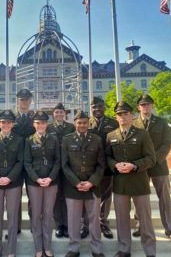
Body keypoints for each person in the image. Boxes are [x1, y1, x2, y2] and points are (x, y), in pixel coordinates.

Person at [106, 101, 156, 257]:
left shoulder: (142, 134)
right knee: (122, 219)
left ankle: (150, 251)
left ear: (132, 115)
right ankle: (124, 249)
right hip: (120, 184)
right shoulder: (111, 135)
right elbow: (107, 157)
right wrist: (115, 164)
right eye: (119, 114)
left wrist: (134, 165)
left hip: (139, 183)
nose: (122, 117)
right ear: (116, 117)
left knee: (145, 220)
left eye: (125, 114)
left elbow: (151, 158)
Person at [62, 110, 106, 257]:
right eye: (79, 122)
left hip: (92, 186)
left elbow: (101, 165)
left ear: (88, 123)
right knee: (73, 220)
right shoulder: (67, 139)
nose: (82, 125)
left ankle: (97, 248)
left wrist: (91, 182)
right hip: (73, 186)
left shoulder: (96, 139)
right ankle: (73, 248)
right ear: (75, 123)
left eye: (85, 123)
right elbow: (64, 165)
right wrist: (76, 182)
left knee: (94, 219)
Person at [132, 94, 171, 238]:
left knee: (165, 197)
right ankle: (140, 225)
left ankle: (169, 226)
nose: (145, 107)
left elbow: (167, 143)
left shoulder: (162, 122)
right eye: (142, 105)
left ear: (152, 106)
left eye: (148, 104)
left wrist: (154, 159)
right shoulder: (134, 123)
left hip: (158, 165)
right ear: (138, 107)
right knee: (139, 197)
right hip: (140, 166)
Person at [0, 110, 24, 257]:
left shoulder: (19, 140)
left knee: (13, 217)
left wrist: (9, 178)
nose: (6, 124)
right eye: (3, 122)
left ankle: (11, 250)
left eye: (8, 122)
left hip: (13, 183)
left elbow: (20, 161)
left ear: (12, 124)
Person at [24, 110, 60, 257]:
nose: (40, 125)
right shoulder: (28, 140)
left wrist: (50, 178)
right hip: (35, 182)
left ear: (47, 124)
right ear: (34, 124)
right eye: (38, 123)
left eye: (43, 123)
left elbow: (58, 161)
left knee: (48, 214)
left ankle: (47, 246)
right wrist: (37, 179)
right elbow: (27, 163)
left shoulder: (54, 139)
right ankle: (38, 248)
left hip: (51, 182)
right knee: (36, 214)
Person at [87, 97, 119, 239]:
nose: (97, 109)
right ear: (91, 108)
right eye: (94, 107)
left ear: (104, 107)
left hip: (107, 167)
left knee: (106, 196)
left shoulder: (113, 123)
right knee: (88, 196)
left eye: (99, 106)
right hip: (90, 168)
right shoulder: (86, 123)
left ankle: (103, 223)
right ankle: (86, 224)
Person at [47, 102, 75, 238]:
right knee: (57, 196)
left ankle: (68, 224)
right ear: (53, 114)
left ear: (65, 114)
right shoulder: (48, 127)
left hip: (68, 165)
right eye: (57, 112)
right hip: (53, 166)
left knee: (68, 195)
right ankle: (59, 224)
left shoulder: (71, 127)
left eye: (61, 112)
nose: (59, 114)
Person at [11, 88, 36, 237]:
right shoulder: (11, 117)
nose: (24, 102)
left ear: (30, 101)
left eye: (27, 99)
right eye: (21, 99)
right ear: (18, 101)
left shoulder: (36, 116)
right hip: (15, 163)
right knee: (15, 197)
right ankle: (16, 226)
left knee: (33, 197)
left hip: (34, 162)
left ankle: (34, 225)